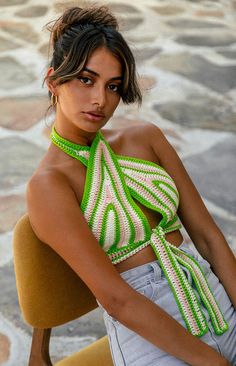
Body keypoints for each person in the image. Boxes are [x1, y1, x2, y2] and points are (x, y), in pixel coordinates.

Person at [27, 5, 236, 366]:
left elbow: (207, 237)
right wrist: (214, 363)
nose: (101, 100)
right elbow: (116, 298)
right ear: (53, 81)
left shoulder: (147, 138)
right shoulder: (49, 185)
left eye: (113, 86)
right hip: (149, 334)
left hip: (212, 298)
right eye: (85, 80)